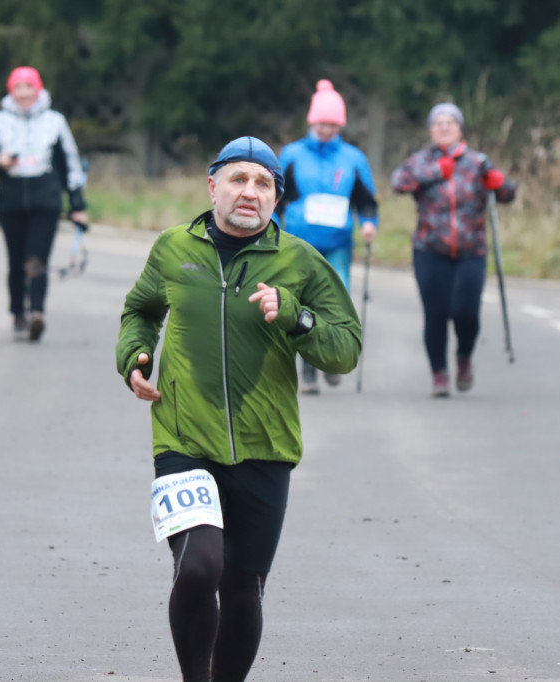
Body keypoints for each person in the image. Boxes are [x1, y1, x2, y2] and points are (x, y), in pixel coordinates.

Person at [116, 136, 361, 682]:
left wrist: (296, 316)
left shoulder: (301, 262)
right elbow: (141, 309)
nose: (249, 192)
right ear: (213, 187)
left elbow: (345, 348)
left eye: (262, 184)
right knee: (200, 567)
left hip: (265, 445)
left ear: (277, 199)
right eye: (238, 179)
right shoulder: (173, 249)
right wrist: (134, 357)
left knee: (244, 586)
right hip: (183, 438)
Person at [391, 102, 517, 397]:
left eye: (450, 123)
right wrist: (436, 171)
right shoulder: (421, 161)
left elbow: (507, 192)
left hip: (471, 250)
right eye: (438, 124)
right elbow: (398, 183)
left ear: (460, 129)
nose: (444, 128)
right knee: (436, 313)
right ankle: (439, 374)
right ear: (431, 130)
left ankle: (463, 358)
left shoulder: (477, 162)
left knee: (466, 312)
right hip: (429, 249)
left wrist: (500, 184)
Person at [0, 66, 88, 341]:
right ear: (11, 92)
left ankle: (37, 312)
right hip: (10, 199)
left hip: (44, 197)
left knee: (38, 259)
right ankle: (17, 314)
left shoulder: (55, 121)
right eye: (18, 88)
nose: (24, 93)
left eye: (29, 87)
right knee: (15, 261)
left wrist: (77, 205)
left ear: (38, 90)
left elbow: (71, 165)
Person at [277, 79, 379, 395]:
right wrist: (270, 227)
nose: (326, 129)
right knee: (303, 302)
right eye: (322, 122)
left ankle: (328, 360)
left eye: (333, 124)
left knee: (335, 302)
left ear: (340, 125)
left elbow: (365, 198)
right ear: (312, 121)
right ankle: (308, 369)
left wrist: (369, 222)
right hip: (299, 242)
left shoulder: (353, 158)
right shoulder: (292, 154)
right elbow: (275, 195)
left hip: (338, 244)